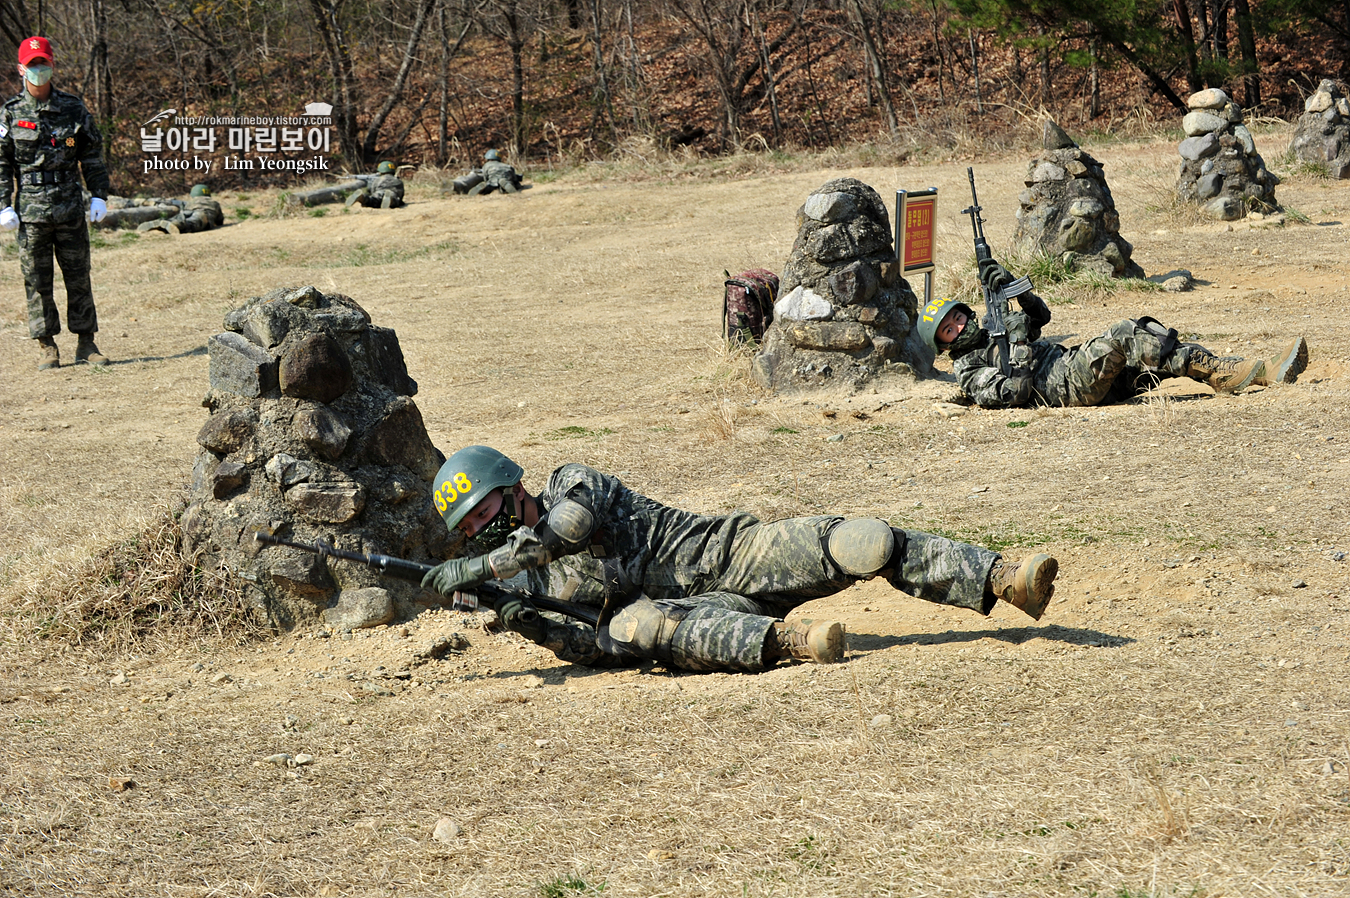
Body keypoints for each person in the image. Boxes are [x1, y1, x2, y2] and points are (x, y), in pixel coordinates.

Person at [418, 446, 1060, 673]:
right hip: (699, 614)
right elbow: (595, 648)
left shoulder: (569, 483)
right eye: (472, 525)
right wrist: (520, 616)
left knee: (860, 541)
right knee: (635, 629)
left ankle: (1002, 578)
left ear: (511, 484)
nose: (484, 525)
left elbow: (570, 528)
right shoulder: (528, 581)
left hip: (730, 556)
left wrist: (481, 568)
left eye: (483, 508)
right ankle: (793, 643)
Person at [917, 260, 1309, 408]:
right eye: (949, 331)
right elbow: (1016, 394)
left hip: (1073, 369)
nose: (959, 328)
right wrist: (1018, 344)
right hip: (1063, 388)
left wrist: (1015, 292)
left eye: (958, 318)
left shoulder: (990, 329)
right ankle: (1229, 374)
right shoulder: (967, 372)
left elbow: (1041, 316)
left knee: (1150, 344)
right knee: (1123, 334)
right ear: (943, 346)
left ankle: (1249, 372)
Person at [0, 35, 112, 370]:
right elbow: (2, 163)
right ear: (21, 68)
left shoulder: (74, 108)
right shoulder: (9, 114)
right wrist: (3, 203)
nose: (39, 70)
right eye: (33, 65)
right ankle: (47, 345)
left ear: (52, 66)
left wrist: (99, 195)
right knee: (36, 279)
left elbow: (91, 155)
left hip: (69, 206)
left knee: (78, 275)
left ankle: (86, 343)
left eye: (43, 63)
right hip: (31, 212)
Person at [137, 184, 224, 235]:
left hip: (188, 211)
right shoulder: (214, 203)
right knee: (192, 223)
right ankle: (176, 225)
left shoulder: (192, 201)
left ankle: (164, 222)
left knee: (180, 218)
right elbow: (219, 220)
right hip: (203, 214)